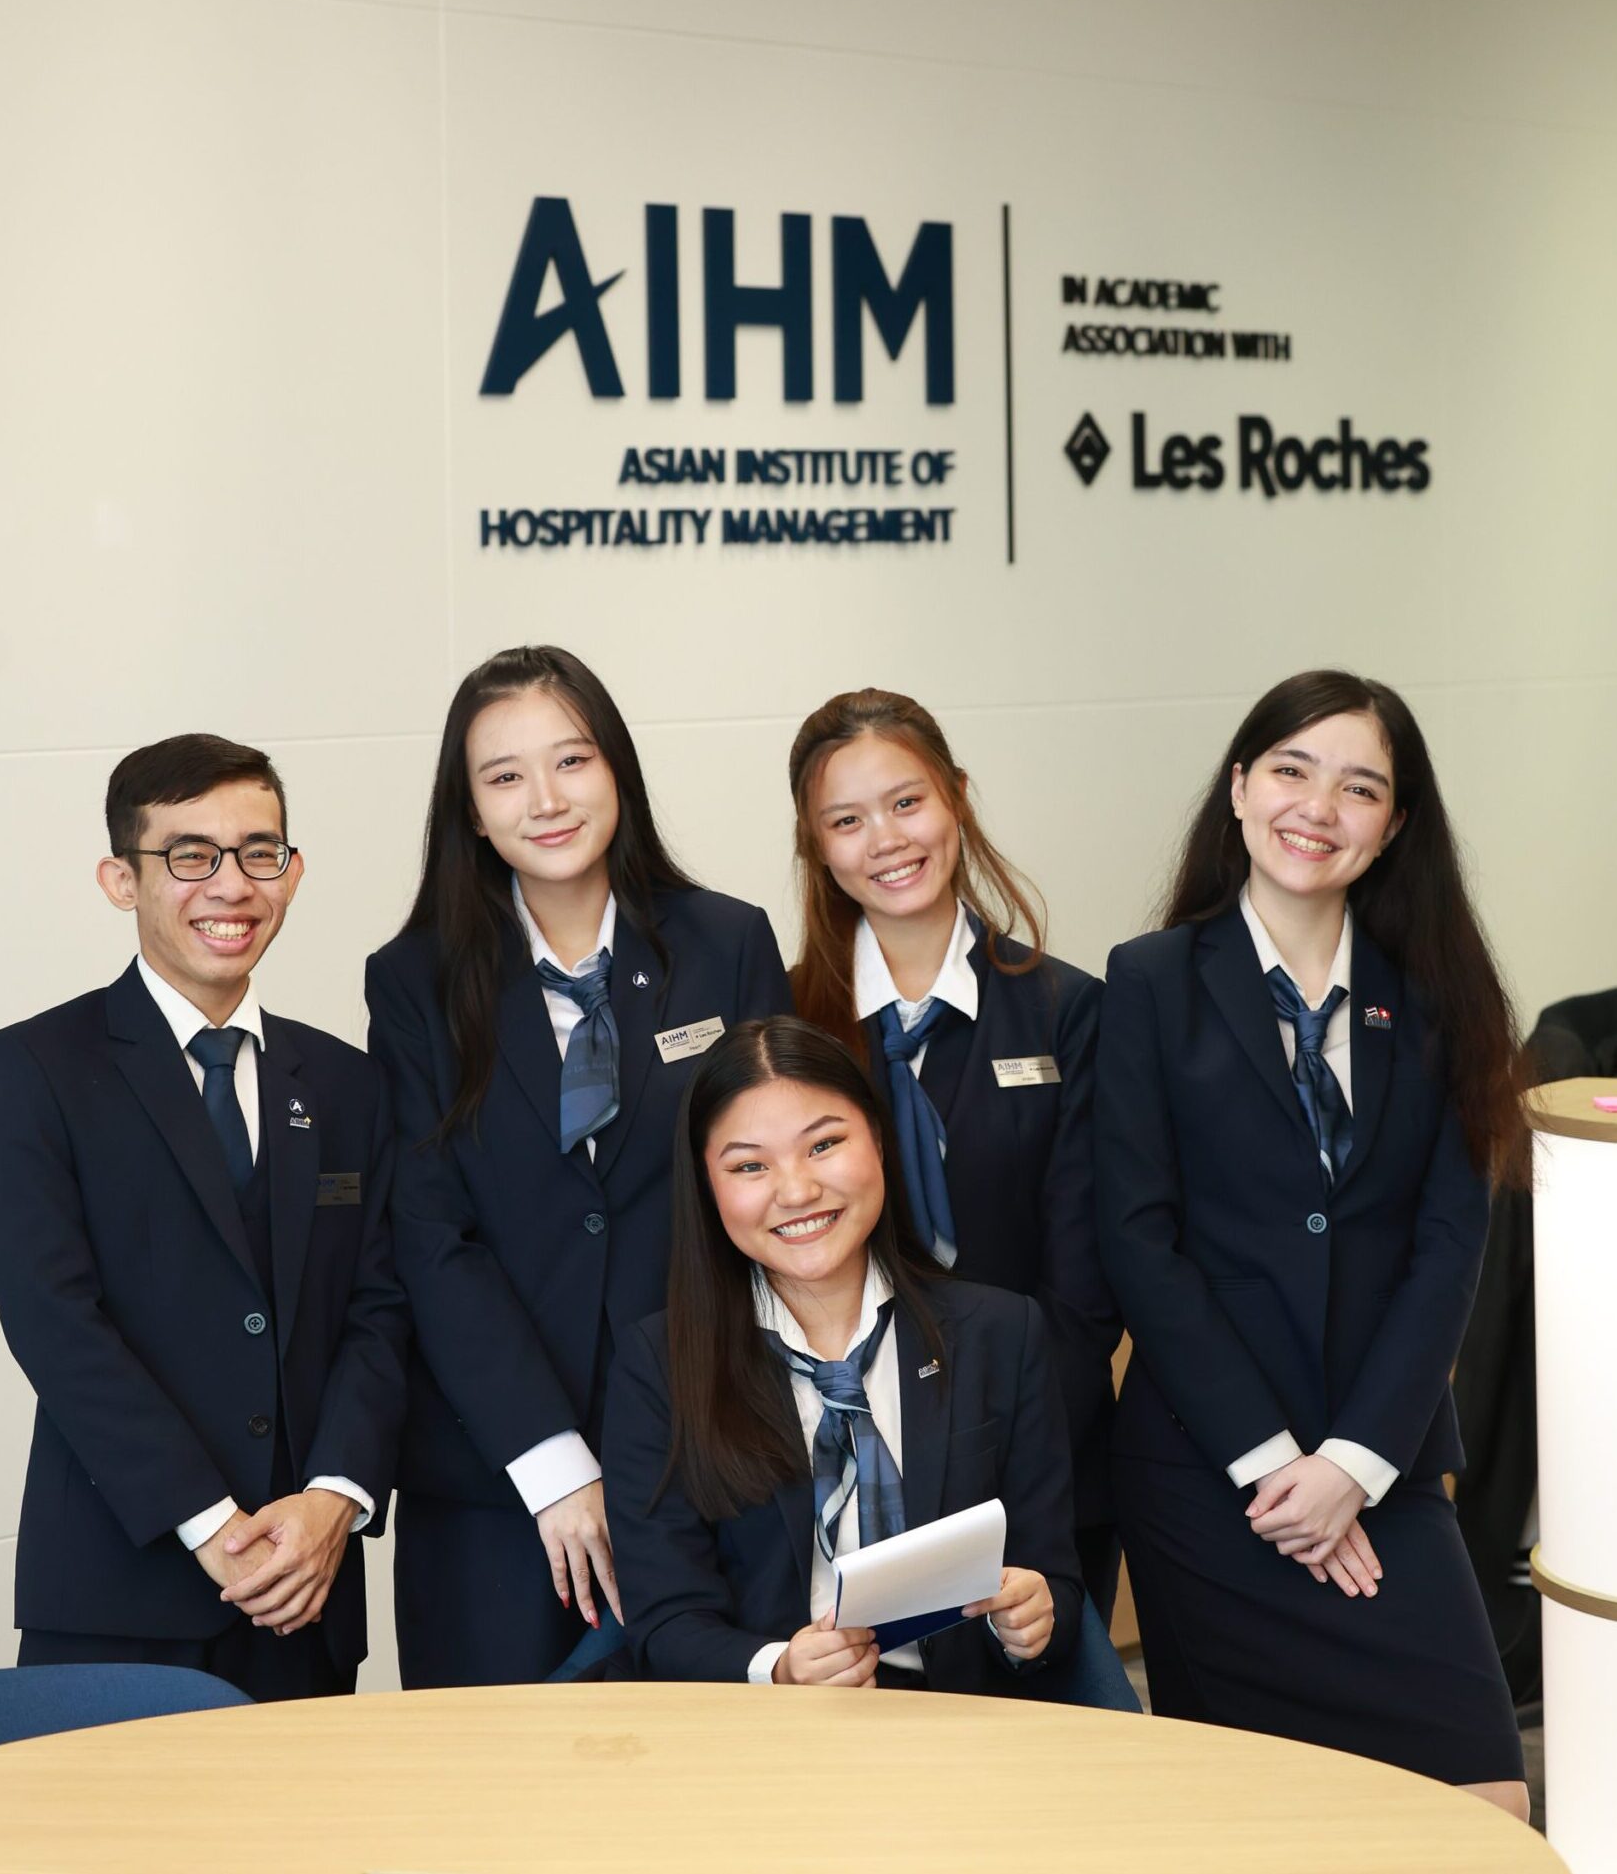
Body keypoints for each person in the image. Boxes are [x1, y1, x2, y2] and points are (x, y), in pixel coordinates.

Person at [1094, 669, 1528, 1817]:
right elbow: (1139, 1244)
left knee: (1485, 1804)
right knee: (1250, 1818)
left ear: (1391, 829)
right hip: (1213, 1479)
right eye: (1289, 769)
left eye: (1358, 787)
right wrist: (1273, 1464)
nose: (1316, 807)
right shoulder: (1147, 983)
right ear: (1237, 789)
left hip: (1379, 1468)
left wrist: (1349, 1466)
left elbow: (1448, 1245)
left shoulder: (1436, 998)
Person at [366, 645, 791, 1687]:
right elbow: (430, 1234)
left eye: (573, 761)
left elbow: (776, 1186)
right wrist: (552, 1462)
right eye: (504, 776)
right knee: (494, 1810)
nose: (545, 800)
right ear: (468, 809)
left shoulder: (724, 942)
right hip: (495, 1479)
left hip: (708, 1448)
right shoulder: (415, 980)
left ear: (618, 774)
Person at [0, 734, 408, 1700]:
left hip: (306, 1587)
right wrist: (210, 1523)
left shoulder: (346, 1082)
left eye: (259, 853)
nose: (231, 884)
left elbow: (382, 1310)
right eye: (189, 855)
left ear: (291, 874)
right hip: (117, 1587)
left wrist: (334, 1500)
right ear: (120, 879)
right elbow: (55, 1323)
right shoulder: (36, 1067)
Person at [603, 1014, 1082, 1693]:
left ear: (878, 1142)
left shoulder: (1001, 1332)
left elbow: (1050, 1578)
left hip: (969, 1732)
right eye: (749, 1165)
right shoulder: (658, 1364)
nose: (795, 1190)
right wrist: (780, 1666)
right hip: (767, 1740)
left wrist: (1036, 1617)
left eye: (823, 1144)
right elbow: (665, 1623)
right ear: (708, 1188)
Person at [786, 687, 1121, 1615]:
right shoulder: (782, 1026)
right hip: (839, 1474)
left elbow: (1085, 1286)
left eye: (906, 801)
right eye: (845, 820)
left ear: (956, 797)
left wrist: (1001, 1452)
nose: (885, 839)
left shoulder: (1068, 1010)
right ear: (815, 843)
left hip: (1040, 1464)